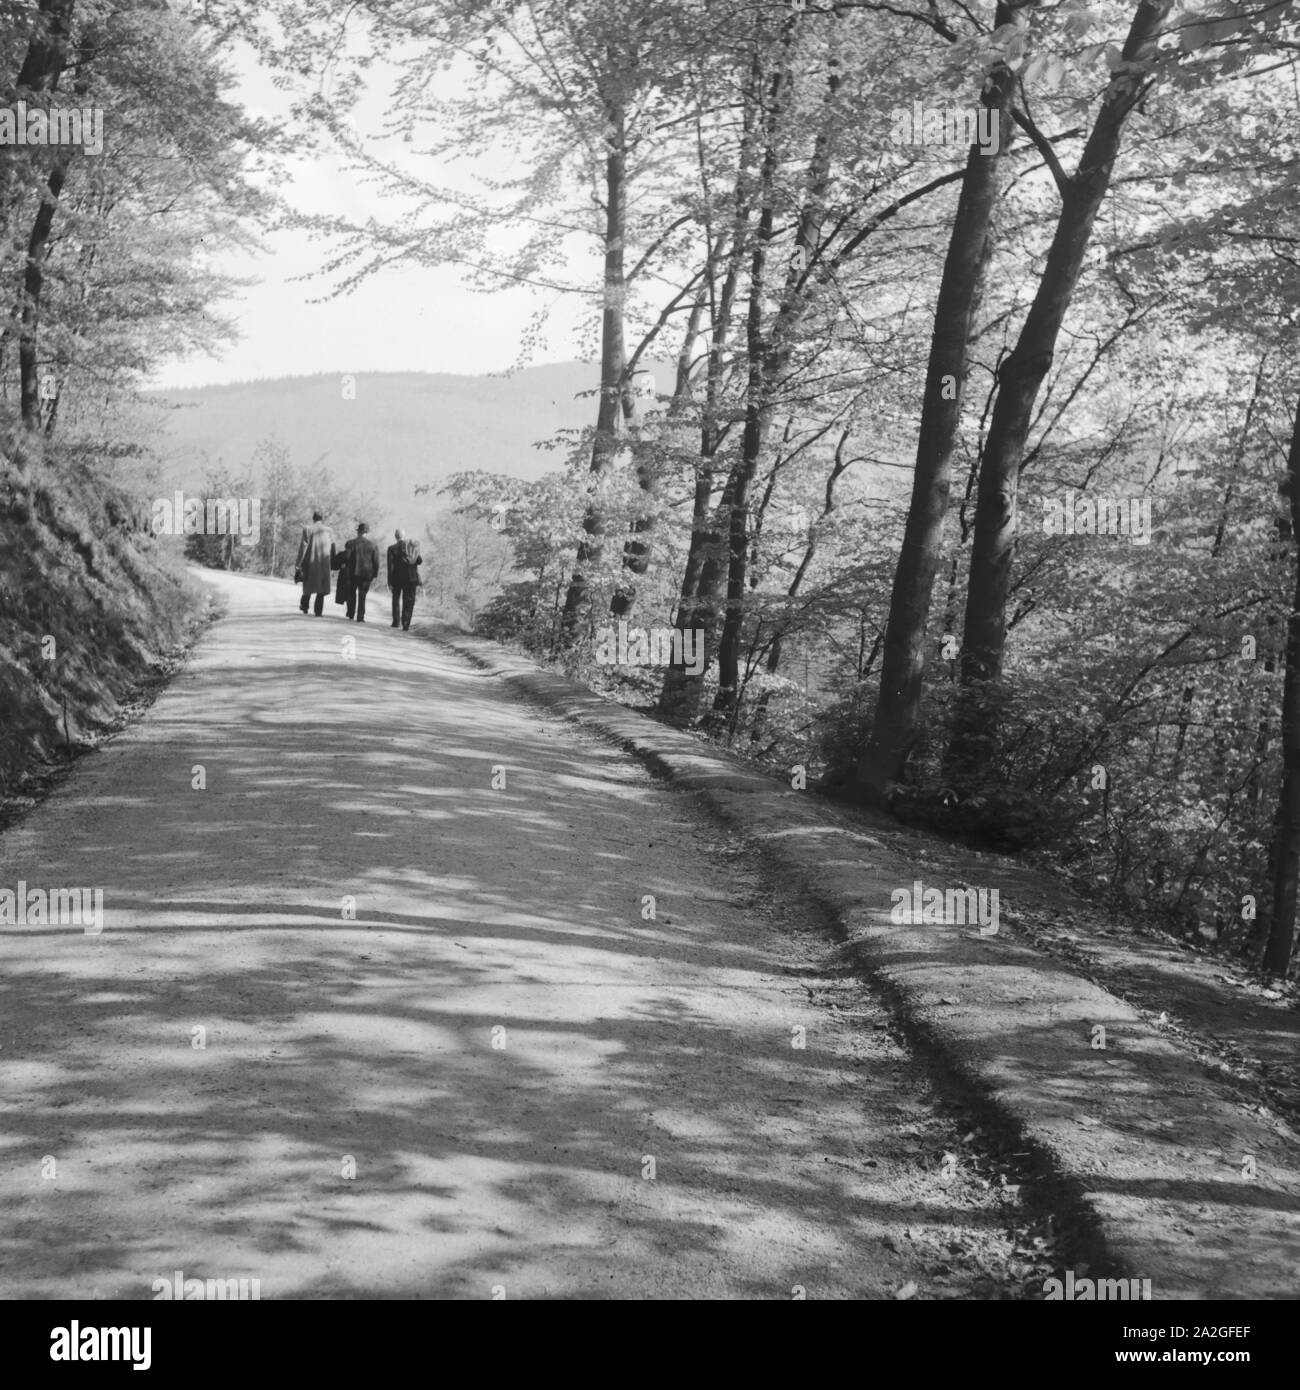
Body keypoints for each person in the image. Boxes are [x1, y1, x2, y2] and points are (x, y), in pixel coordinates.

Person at [294, 511, 335, 616]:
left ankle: (304, 606)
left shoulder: (308, 529)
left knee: (308, 584)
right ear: (322, 519)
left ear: (313, 519)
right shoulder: (329, 531)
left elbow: (303, 548)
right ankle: (318, 611)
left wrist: (298, 564)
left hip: (310, 561)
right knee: (321, 587)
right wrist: (333, 564)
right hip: (324, 564)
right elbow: (333, 548)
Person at [386, 527, 423, 630]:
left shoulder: (391, 548)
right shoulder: (411, 546)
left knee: (396, 599)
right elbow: (419, 561)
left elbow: (390, 566)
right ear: (404, 536)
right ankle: (406, 622)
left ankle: (396, 621)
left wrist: (389, 581)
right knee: (409, 600)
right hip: (410, 578)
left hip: (397, 578)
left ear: (395, 536)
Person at [346, 522, 380, 622]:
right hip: (366, 574)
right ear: (367, 532)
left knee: (352, 593)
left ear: (358, 532)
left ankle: (351, 613)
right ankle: (360, 616)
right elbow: (376, 562)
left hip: (353, 573)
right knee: (362, 594)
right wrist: (375, 574)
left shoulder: (350, 543)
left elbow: (347, 558)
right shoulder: (373, 546)